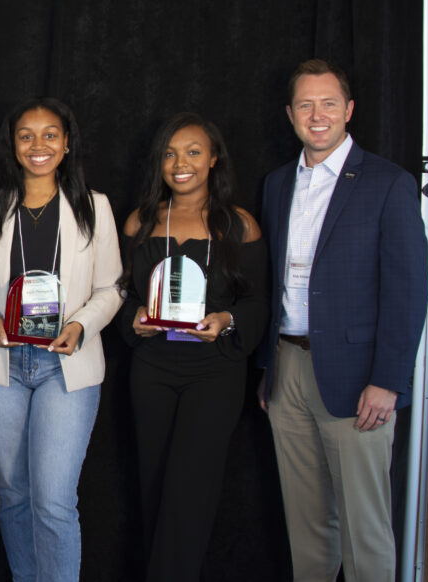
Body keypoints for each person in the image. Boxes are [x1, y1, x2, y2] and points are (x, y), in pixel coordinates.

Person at [258, 59, 427, 582]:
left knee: (365, 529)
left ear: (349, 110)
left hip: (359, 380)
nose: (317, 114)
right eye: (305, 104)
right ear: (290, 114)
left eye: (329, 103)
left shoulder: (387, 183)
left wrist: (388, 381)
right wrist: (269, 370)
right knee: (307, 528)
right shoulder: (277, 184)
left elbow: (408, 290)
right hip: (287, 371)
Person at [0, 97, 122, 582]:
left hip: (65, 365)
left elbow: (111, 287)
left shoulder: (94, 206)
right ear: (12, 143)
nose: (38, 144)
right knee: (14, 493)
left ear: (67, 144)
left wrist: (81, 325)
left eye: (50, 134)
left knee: (53, 500)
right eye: (26, 135)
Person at [116, 112, 268, 582]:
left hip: (214, 372)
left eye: (194, 152)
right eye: (169, 153)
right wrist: (132, 319)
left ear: (214, 159)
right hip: (152, 369)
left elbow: (259, 300)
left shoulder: (239, 224)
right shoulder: (140, 222)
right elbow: (121, 293)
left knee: (190, 489)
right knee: (155, 485)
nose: (180, 163)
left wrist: (227, 320)